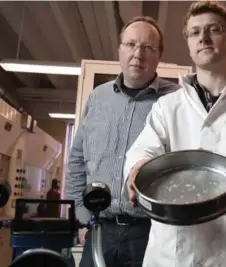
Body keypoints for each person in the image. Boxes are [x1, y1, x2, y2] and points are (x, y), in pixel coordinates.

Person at [124, 2, 226, 267]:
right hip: (171, 255)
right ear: (189, 44)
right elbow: (142, 152)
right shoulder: (167, 107)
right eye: (195, 32)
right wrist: (137, 169)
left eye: (214, 29)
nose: (203, 37)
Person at [65, 16, 180, 267]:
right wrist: (83, 220)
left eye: (148, 48)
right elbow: (76, 162)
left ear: (159, 56)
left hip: (151, 235)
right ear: (120, 50)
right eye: (130, 44)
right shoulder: (98, 98)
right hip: (100, 231)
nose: (138, 54)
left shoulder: (175, 101)